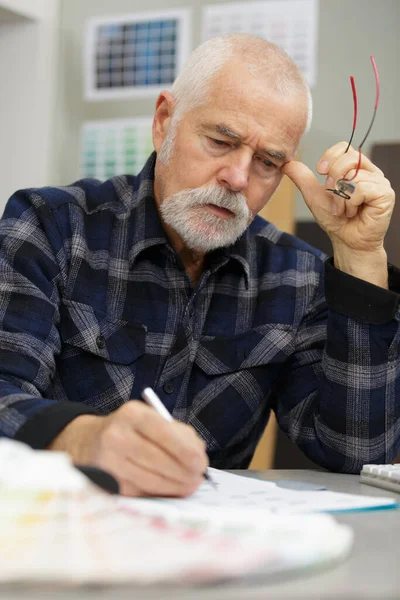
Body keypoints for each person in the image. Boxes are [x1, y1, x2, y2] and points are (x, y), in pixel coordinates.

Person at [0, 34, 398, 497]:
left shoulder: (298, 277)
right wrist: (81, 438)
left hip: (210, 548)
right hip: (60, 532)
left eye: (268, 162)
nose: (238, 178)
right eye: (220, 141)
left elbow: (355, 453)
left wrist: (360, 259)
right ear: (164, 121)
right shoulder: (50, 226)